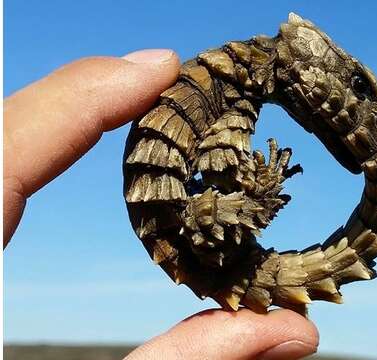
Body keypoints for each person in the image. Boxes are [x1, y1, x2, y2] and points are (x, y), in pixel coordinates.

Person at [3, 49, 319, 360]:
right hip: (193, 234)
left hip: (200, 232)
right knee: (208, 209)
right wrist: (255, 192)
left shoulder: (231, 98)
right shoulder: (231, 87)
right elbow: (218, 165)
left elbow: (218, 163)